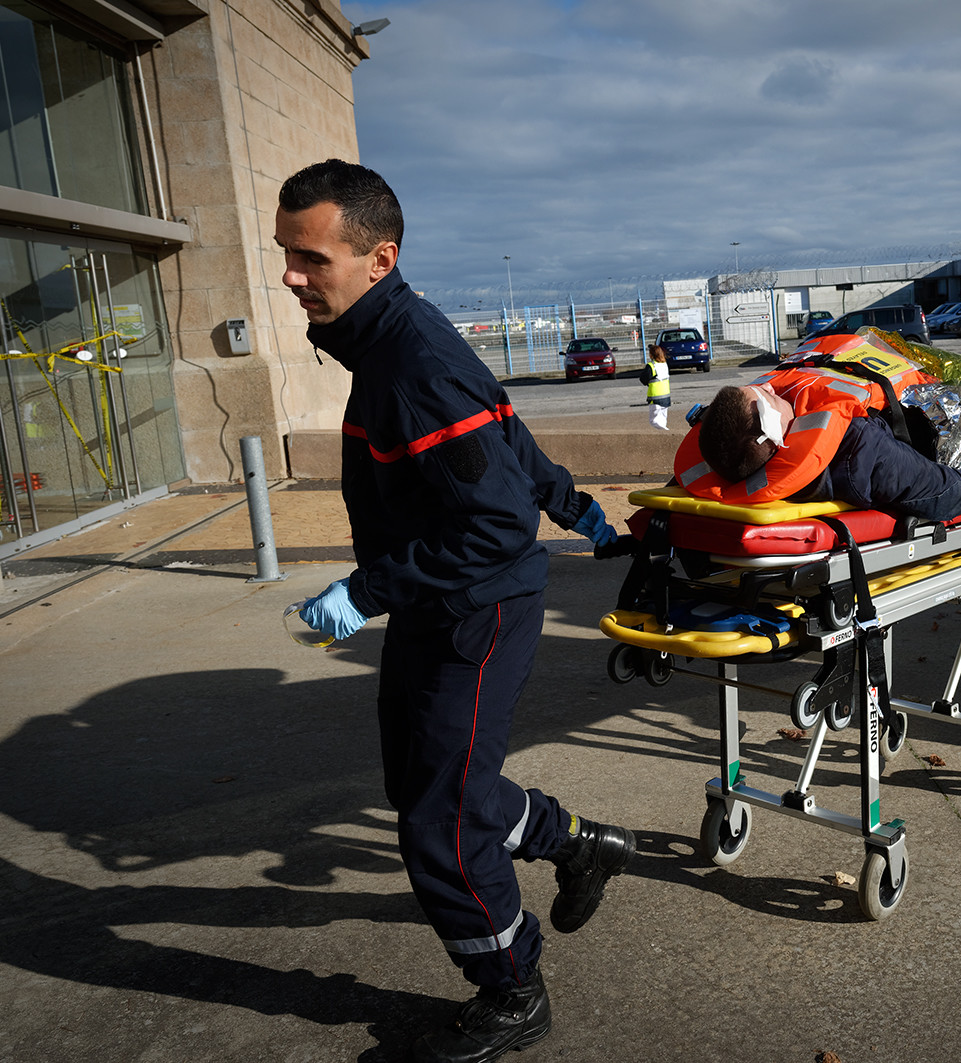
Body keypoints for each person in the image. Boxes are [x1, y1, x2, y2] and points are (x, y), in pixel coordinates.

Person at [279, 159, 635, 1063]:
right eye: (287, 254)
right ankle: (578, 842)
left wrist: (362, 592)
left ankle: (512, 988)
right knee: (426, 783)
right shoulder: (394, 336)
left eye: (311, 258)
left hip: (475, 609)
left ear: (378, 256)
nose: (291, 275)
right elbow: (504, 428)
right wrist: (572, 501)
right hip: (439, 603)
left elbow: (492, 530)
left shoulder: (412, 361)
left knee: (439, 819)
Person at [680, 347, 961, 521]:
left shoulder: (727, 455)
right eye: (767, 396)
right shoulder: (858, 448)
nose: (770, 387)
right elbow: (933, 488)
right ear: (774, 434)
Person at [642, 343, 671, 430]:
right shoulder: (664, 365)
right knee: (662, 419)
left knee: (654, 421)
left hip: (656, 397)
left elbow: (643, 378)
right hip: (666, 396)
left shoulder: (651, 366)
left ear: (651, 355)